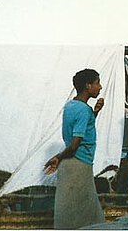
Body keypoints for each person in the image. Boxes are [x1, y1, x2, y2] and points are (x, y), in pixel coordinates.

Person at [44, 68, 106, 229]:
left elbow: (81, 129)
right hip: (79, 164)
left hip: (71, 165)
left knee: (71, 212)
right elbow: (74, 145)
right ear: (88, 85)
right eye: (97, 83)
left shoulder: (70, 106)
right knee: (85, 216)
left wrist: (95, 112)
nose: (100, 87)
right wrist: (58, 156)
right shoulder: (84, 110)